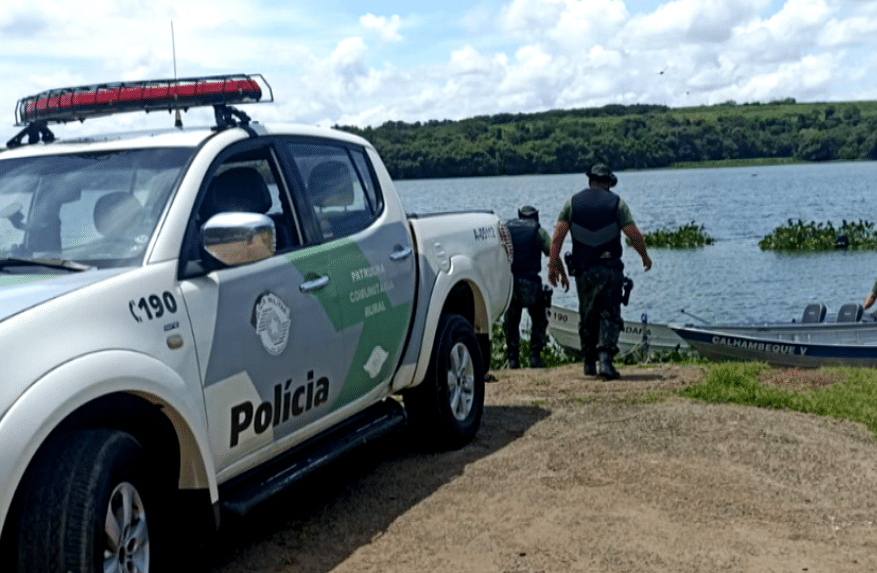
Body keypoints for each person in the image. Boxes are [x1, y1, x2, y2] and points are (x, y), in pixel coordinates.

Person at [547, 164, 652, 379]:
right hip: (610, 268)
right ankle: (605, 362)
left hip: (584, 269)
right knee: (609, 312)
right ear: (607, 183)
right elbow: (633, 234)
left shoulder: (572, 203)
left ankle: (588, 361)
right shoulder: (617, 203)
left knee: (587, 312)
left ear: (590, 181)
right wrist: (644, 256)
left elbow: (557, 236)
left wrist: (553, 263)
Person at [503, 205, 552, 368]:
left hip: (511, 283)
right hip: (531, 282)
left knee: (511, 321)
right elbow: (550, 251)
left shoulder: (507, 229)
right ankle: (535, 357)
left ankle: (513, 359)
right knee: (539, 318)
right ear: (535, 216)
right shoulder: (538, 231)